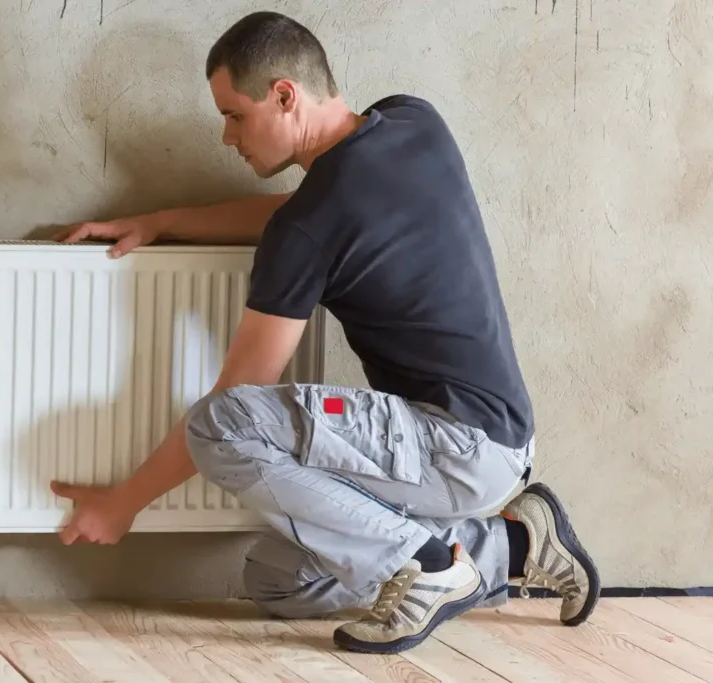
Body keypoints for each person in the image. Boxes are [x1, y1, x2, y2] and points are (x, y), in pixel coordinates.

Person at [49, 10, 600, 654]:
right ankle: (515, 543)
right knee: (280, 581)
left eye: (234, 115)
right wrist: (165, 221)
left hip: (451, 444)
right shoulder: (413, 121)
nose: (228, 138)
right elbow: (312, 213)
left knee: (220, 424)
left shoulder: (307, 229)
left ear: (284, 95)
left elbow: (236, 398)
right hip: (500, 441)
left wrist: (124, 503)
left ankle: (429, 566)